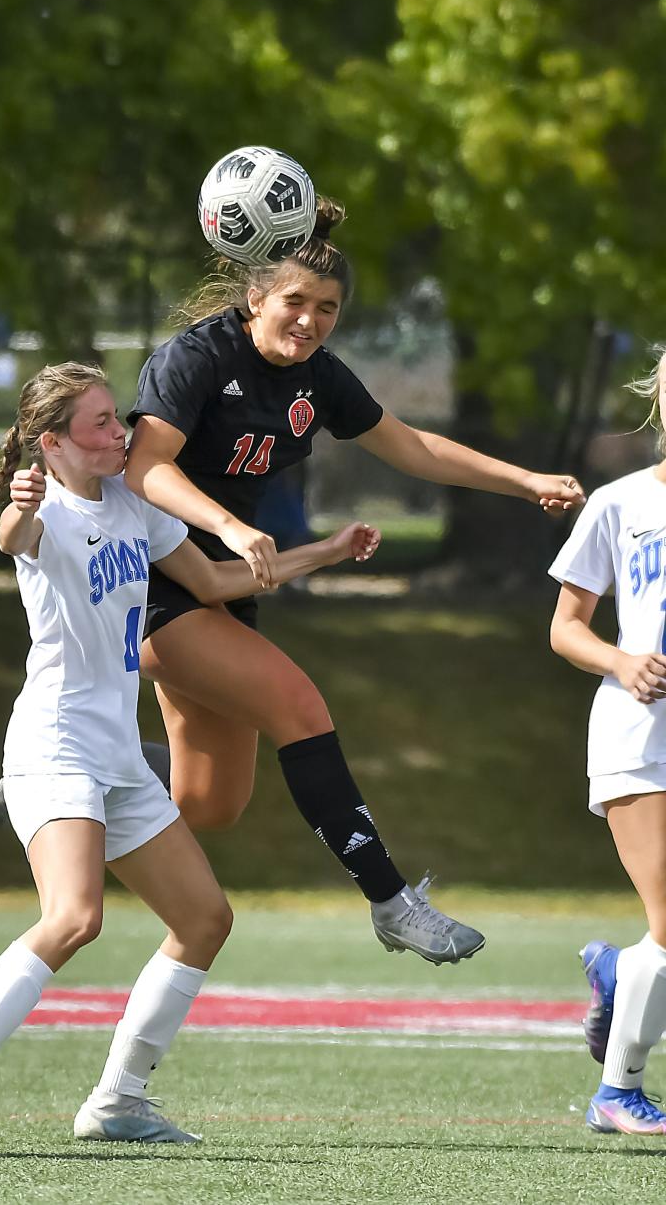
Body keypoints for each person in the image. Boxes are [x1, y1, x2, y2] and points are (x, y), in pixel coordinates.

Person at [0, 362, 382, 1145]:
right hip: (56, 747)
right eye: (97, 425)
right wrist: (20, 508)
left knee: (205, 920)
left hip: (119, 756)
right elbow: (13, 537)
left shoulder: (132, 505)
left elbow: (217, 583)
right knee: (75, 918)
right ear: (51, 444)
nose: (118, 433)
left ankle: (118, 1099)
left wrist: (324, 550)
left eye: (116, 417)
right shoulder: (45, 510)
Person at [121, 195, 586, 965]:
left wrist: (526, 478)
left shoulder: (318, 378)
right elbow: (145, 466)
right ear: (255, 297)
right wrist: (234, 527)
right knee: (300, 706)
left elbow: (414, 448)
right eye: (295, 302)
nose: (309, 320)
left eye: (328, 309)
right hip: (157, 584)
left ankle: (77, 772)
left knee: (209, 804)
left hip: (229, 588)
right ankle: (391, 901)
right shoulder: (196, 357)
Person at [549, 346, 666, 1137]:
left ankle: (623, 971)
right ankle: (617, 1091)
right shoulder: (621, 503)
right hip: (640, 730)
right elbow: (565, 630)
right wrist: (623, 661)